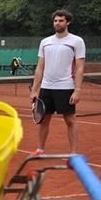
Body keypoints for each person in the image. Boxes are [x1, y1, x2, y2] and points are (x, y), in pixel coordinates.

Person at [29, 9, 86, 154]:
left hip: (66, 87)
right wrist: (35, 90)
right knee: (43, 120)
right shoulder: (45, 42)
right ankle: (40, 149)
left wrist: (77, 90)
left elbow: (80, 68)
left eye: (61, 20)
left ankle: (73, 154)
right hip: (46, 87)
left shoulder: (77, 41)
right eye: (55, 20)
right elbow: (40, 68)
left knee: (70, 121)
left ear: (68, 22)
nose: (57, 23)